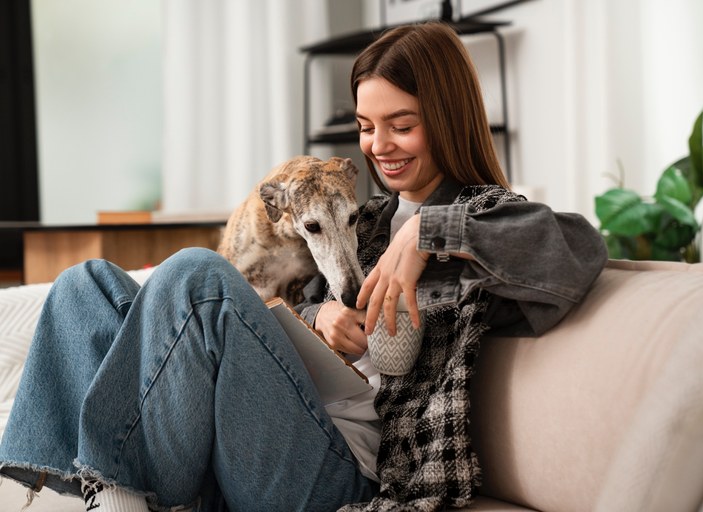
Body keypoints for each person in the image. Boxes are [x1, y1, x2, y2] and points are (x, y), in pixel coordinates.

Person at [0, 21, 607, 512]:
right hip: (278, 420)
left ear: (446, 119)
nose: (379, 146)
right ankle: (77, 490)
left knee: (199, 280)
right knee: (84, 287)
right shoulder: (362, 221)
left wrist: (428, 231)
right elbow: (293, 318)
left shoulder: (488, 218)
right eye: (367, 127)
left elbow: (578, 251)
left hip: (349, 474)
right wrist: (320, 323)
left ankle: (120, 492)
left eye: (403, 125)